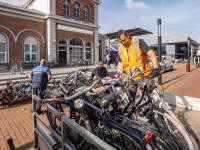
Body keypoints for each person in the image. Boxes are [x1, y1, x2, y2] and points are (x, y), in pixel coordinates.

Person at [116, 29, 159, 101]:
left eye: (124, 40)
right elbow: (120, 65)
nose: (123, 43)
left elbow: (151, 54)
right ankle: (132, 111)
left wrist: (155, 68)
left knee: (148, 98)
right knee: (129, 99)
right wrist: (118, 78)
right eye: (120, 41)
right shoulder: (120, 49)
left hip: (144, 77)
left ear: (127, 35)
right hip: (131, 78)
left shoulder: (138, 43)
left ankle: (149, 110)